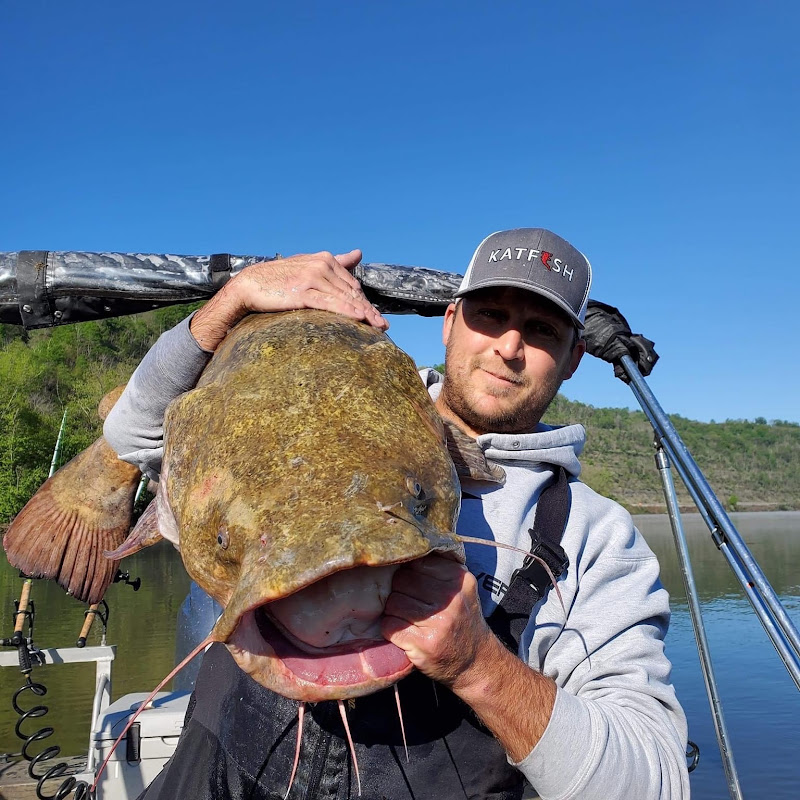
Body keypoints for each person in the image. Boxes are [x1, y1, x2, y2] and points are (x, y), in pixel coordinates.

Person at [104, 229, 689, 800]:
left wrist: (480, 666)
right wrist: (230, 302)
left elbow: (655, 783)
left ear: (572, 359)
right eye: (489, 315)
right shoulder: (310, 404)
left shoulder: (595, 536)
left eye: (540, 331)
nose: (509, 348)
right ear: (450, 322)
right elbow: (133, 438)